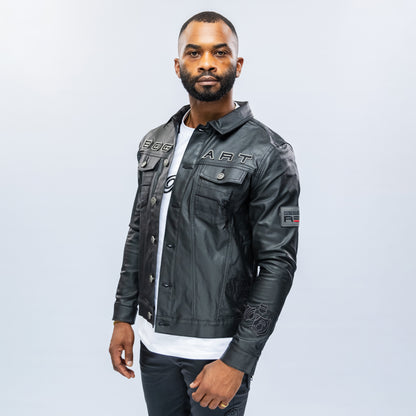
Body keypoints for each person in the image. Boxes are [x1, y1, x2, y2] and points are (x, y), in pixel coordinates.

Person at [109, 11, 300, 416]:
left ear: (238, 64)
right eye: (194, 53)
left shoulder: (268, 152)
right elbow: (139, 232)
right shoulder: (156, 142)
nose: (207, 63)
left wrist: (238, 361)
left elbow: (278, 264)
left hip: (217, 354)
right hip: (154, 346)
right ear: (178, 65)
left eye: (220, 52)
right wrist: (123, 317)